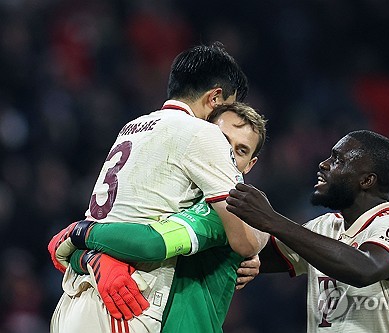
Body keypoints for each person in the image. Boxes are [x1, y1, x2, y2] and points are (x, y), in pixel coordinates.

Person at [48, 43, 269, 333]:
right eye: (227, 106)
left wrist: (84, 249)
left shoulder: (132, 126)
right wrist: (251, 248)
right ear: (215, 98)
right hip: (126, 301)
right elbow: (243, 240)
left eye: (239, 150)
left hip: (75, 297)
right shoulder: (204, 135)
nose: (226, 151)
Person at [227, 129, 389, 332]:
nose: (323, 164)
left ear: (366, 180)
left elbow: (364, 269)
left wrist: (272, 220)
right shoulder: (323, 227)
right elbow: (249, 256)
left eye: (338, 160)